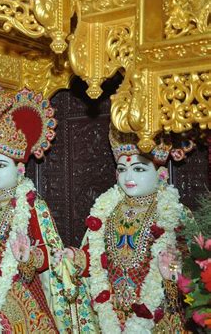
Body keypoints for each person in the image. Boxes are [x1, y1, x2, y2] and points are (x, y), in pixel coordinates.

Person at [0, 82, 98, 333]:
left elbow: (49, 255)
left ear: (19, 169)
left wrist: (28, 256)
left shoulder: (30, 203)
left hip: (18, 296)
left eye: (0, 165)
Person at [55, 126, 191, 333]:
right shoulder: (107, 210)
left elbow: (193, 270)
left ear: (161, 173)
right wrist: (73, 257)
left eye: (139, 169)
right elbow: (94, 259)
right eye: (122, 169)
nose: (128, 177)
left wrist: (173, 274)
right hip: (111, 315)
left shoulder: (175, 214)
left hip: (158, 315)